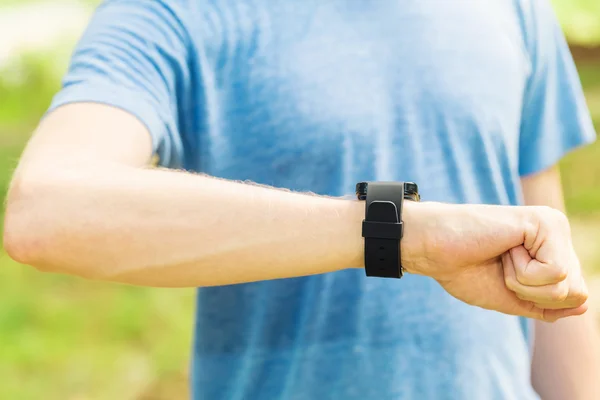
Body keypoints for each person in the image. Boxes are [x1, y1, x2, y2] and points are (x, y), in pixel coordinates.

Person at [4, 0, 600, 398]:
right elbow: (47, 211)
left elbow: (550, 273)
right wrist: (398, 236)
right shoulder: (168, 14)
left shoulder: (514, 8)